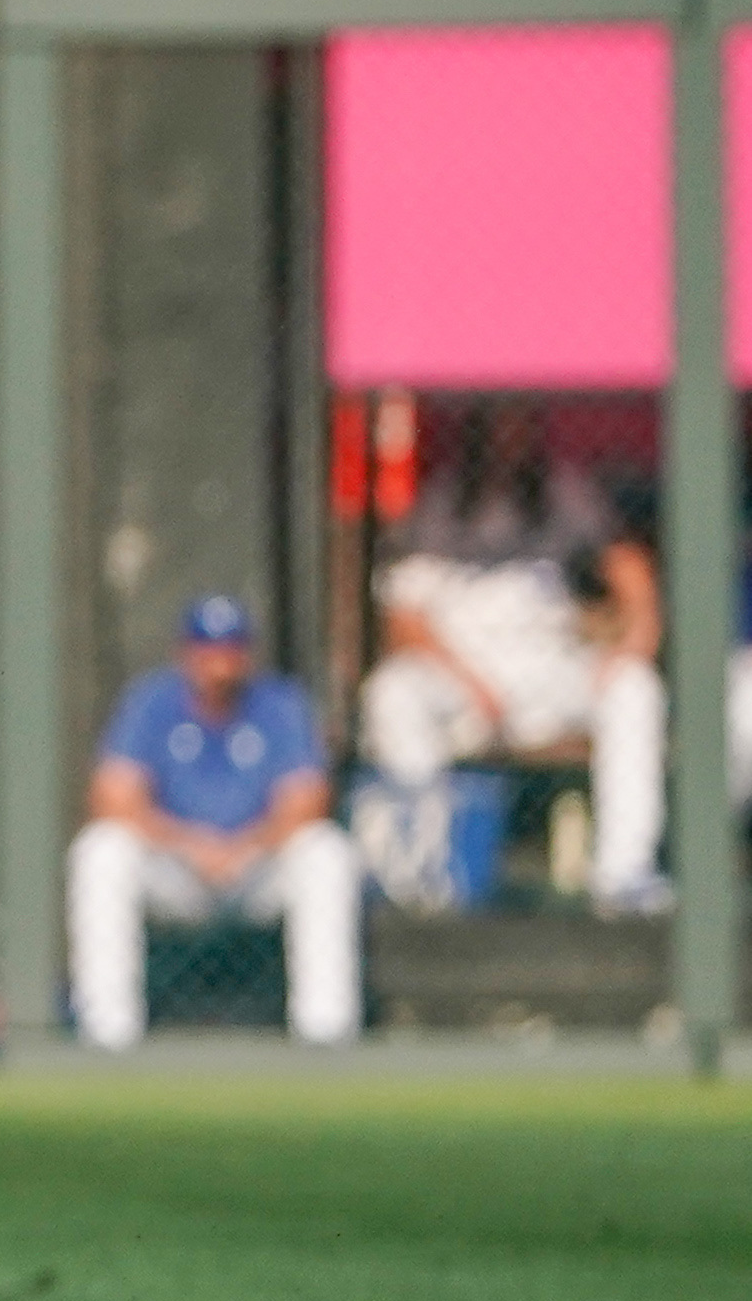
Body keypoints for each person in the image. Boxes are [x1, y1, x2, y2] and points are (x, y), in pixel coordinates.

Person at [357, 399, 667, 913]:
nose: (509, 438)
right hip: (462, 678)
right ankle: (427, 875)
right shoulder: (441, 502)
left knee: (636, 689)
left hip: (547, 672)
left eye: (521, 424)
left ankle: (625, 873)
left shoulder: (558, 492)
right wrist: (471, 682)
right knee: (391, 692)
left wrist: (636, 639)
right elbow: (404, 622)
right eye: (498, 424)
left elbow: (626, 562)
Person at [71, 594, 361, 1048]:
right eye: (208, 648)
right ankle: (108, 1030)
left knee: (326, 852)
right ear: (185, 652)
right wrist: (189, 844)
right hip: (177, 868)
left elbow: (308, 800)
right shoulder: (153, 702)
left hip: (257, 867)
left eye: (231, 647)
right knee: (101, 850)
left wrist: (247, 845)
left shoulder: (279, 703)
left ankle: (325, 1031)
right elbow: (112, 796)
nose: (220, 662)